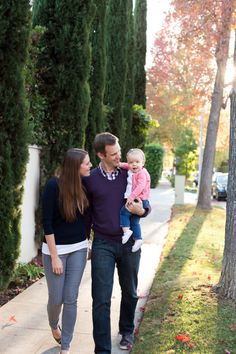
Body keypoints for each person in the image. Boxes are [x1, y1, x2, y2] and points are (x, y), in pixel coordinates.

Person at [83, 132, 151, 354]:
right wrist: (86, 242)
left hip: (129, 242)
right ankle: (102, 349)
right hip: (103, 243)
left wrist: (142, 210)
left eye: (119, 152)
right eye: (113, 154)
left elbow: (145, 202)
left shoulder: (130, 173)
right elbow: (86, 214)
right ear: (100, 154)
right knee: (101, 299)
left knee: (130, 292)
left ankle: (127, 331)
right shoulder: (91, 179)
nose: (118, 157)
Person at [42, 148, 92, 354]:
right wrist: (54, 257)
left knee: (71, 297)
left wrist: (88, 242)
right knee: (56, 298)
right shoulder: (54, 185)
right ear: (75, 166)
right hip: (56, 251)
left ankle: (66, 346)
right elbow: (47, 222)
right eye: (87, 163)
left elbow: (88, 218)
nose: (90, 166)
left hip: (79, 249)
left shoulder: (85, 185)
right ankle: (54, 325)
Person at [119, 148, 151, 252]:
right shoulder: (131, 169)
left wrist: (131, 196)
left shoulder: (141, 173)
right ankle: (138, 239)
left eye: (137, 162)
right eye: (131, 162)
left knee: (124, 212)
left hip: (138, 200)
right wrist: (118, 164)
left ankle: (126, 231)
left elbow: (141, 186)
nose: (134, 165)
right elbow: (125, 165)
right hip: (138, 199)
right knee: (134, 221)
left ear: (143, 162)